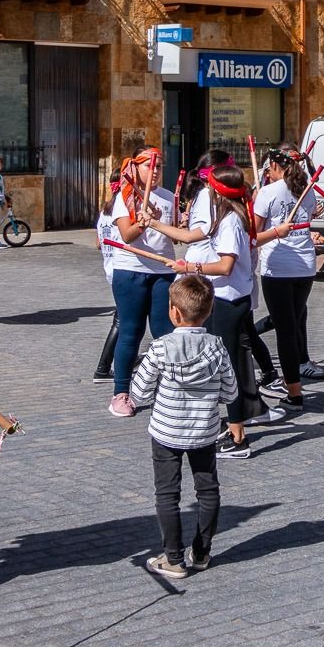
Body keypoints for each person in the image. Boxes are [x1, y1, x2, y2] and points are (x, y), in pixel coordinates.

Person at [155, 166, 274, 458]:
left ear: (218, 192)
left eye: (209, 186)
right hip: (225, 298)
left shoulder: (231, 221)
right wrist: (157, 225)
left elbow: (225, 266)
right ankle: (233, 427)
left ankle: (238, 438)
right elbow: (192, 237)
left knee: (229, 369)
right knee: (225, 368)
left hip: (229, 301)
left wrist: (189, 268)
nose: (205, 190)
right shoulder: (222, 217)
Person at [129, 274, 236, 578]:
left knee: (167, 493)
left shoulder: (160, 348)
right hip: (204, 430)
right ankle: (202, 551)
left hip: (166, 430)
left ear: (173, 311)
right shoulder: (217, 348)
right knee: (208, 489)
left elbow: (139, 393)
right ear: (210, 309)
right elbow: (231, 392)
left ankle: (173, 558)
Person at [106, 148, 178, 419]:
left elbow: (174, 237)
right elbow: (127, 235)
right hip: (130, 271)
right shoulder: (125, 197)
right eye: (150, 166)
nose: (156, 171)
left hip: (162, 271)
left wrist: (176, 224)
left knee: (165, 333)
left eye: (159, 166)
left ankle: (169, 388)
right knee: (131, 332)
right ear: (136, 168)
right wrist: (145, 222)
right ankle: (121, 392)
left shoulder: (169, 197)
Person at [254, 146, 322, 409]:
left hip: (278, 267)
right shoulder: (307, 189)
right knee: (291, 325)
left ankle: (294, 392)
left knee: (285, 329)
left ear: (274, 166)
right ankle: (292, 383)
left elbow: (254, 235)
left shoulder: (268, 193)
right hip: (305, 267)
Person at [93, 174, 122, 382]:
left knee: (122, 319)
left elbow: (97, 243)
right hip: (122, 270)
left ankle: (108, 365)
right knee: (122, 321)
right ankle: (103, 368)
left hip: (110, 269)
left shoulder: (105, 209)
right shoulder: (122, 210)